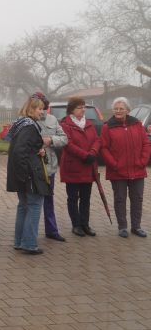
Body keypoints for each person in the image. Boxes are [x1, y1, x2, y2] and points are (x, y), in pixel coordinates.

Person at [6, 95, 51, 255]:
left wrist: (39, 151)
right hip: (30, 175)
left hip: (22, 174)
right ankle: (29, 244)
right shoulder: (29, 127)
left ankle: (19, 242)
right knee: (34, 206)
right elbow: (20, 152)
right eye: (39, 109)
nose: (42, 112)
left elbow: (24, 149)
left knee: (24, 206)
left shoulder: (20, 124)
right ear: (31, 109)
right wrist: (25, 175)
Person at [100, 97, 151, 238]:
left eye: (121, 108)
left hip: (137, 169)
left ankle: (136, 227)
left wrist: (143, 161)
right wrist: (114, 164)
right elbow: (104, 148)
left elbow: (146, 143)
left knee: (137, 199)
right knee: (120, 199)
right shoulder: (107, 127)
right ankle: (122, 227)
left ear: (127, 110)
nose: (118, 111)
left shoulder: (137, 124)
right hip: (117, 171)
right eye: (116, 109)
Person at [59, 96, 101, 238]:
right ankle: (76, 225)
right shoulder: (65, 124)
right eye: (79, 107)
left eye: (84, 107)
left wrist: (93, 152)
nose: (83, 110)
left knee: (85, 198)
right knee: (73, 198)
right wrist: (85, 155)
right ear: (71, 109)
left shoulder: (89, 123)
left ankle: (85, 224)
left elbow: (97, 140)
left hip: (88, 166)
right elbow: (68, 144)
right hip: (73, 166)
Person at [33, 92, 68, 242]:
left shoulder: (53, 120)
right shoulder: (26, 120)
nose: (41, 111)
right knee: (32, 202)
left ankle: (52, 230)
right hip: (33, 168)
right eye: (39, 107)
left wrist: (51, 140)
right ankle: (30, 234)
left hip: (49, 168)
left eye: (44, 107)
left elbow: (64, 138)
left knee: (49, 200)